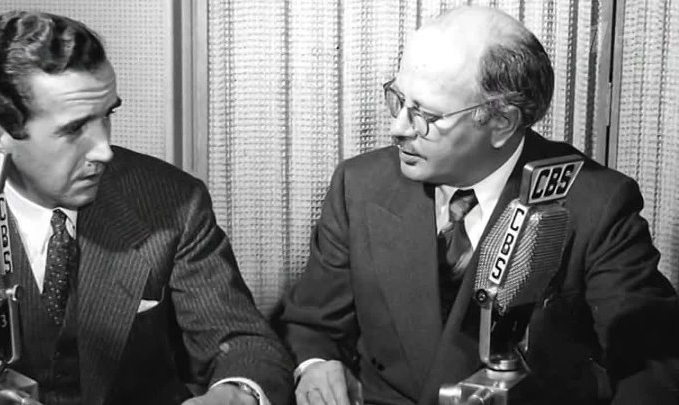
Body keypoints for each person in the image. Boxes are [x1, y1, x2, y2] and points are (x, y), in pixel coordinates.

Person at [279, 5, 679, 405]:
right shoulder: (359, 184)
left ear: (501, 122)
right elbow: (313, 324)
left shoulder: (597, 203)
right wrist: (316, 364)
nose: (397, 128)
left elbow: (651, 364)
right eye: (397, 99)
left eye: (426, 115)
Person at [0, 10, 294, 405]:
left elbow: (244, 344)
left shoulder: (172, 200)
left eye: (107, 115)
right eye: (74, 129)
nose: (103, 150)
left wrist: (237, 394)